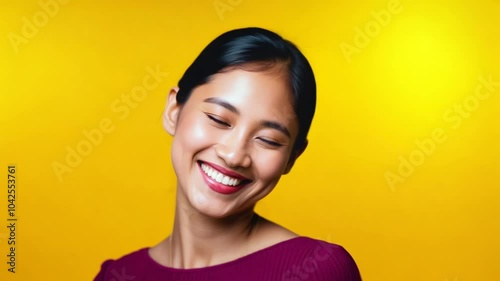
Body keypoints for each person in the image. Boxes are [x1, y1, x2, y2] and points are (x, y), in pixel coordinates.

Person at [93, 27, 362, 281]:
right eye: (218, 119)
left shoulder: (317, 270)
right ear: (173, 111)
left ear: (292, 157)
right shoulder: (118, 274)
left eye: (268, 140)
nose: (234, 155)